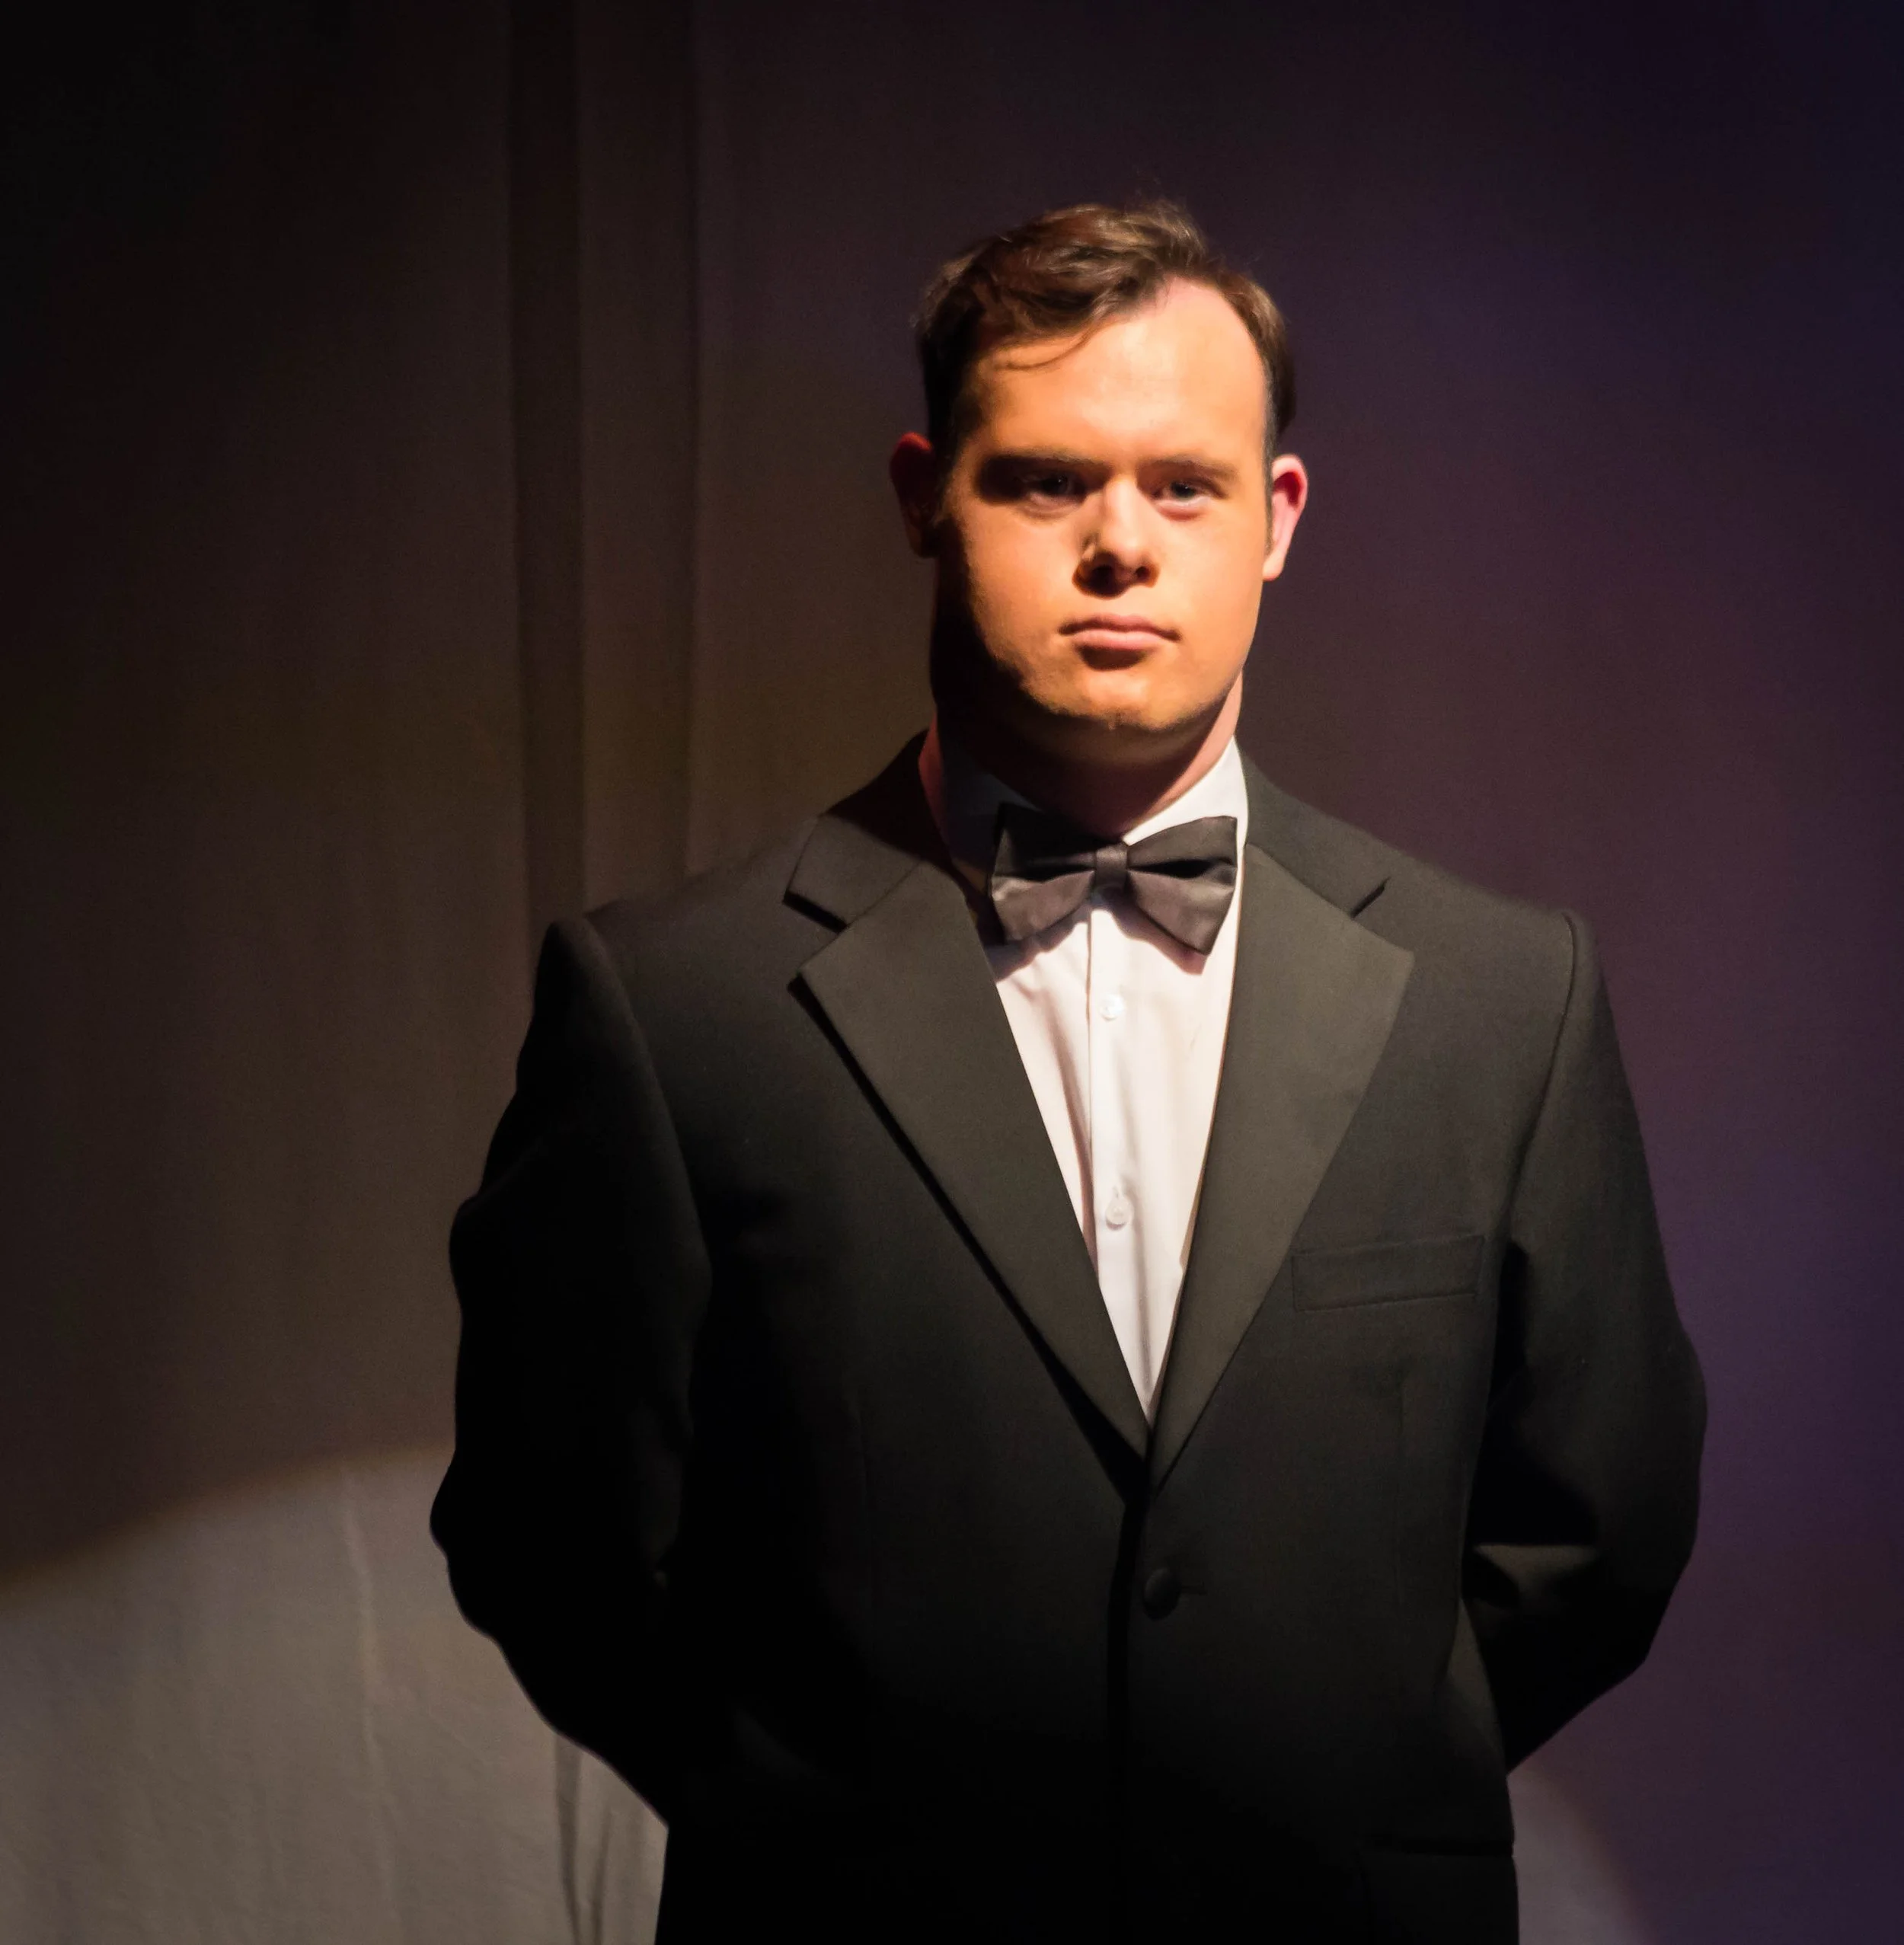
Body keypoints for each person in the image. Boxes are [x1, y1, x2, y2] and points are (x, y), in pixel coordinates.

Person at [433, 201, 1705, 1943]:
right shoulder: (670, 1007)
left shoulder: (1502, 999)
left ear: (1276, 517)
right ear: (921, 494)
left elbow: (1602, 1521)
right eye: (1045, 481)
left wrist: (1347, 1781)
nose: (1119, 543)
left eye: (1182, 485)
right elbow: (549, 1537)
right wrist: (817, 1816)